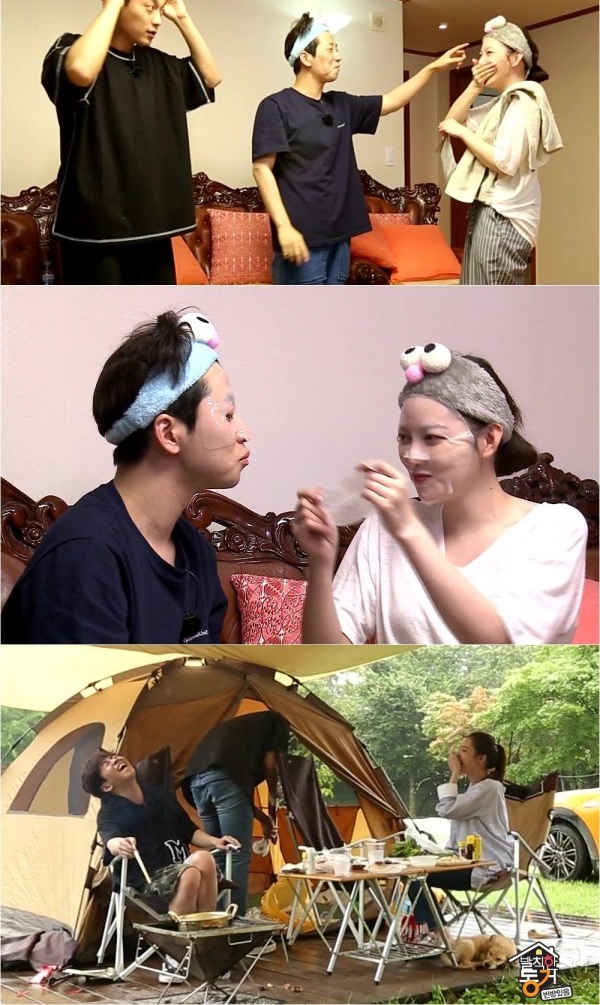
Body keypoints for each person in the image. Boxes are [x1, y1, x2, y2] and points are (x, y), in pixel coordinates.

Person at [296, 343, 587, 644]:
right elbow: (328, 656)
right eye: (404, 438)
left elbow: (503, 649)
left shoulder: (555, 529)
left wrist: (409, 531)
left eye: (432, 438)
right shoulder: (383, 528)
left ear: (489, 439)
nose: (411, 456)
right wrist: (321, 563)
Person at [2, 309, 251, 644]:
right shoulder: (86, 554)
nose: (244, 432)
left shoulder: (196, 554)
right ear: (169, 434)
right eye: (229, 414)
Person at [42, 0, 222, 284]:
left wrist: (182, 18)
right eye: (149, 7)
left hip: (154, 227)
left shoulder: (159, 65)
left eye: (160, 10)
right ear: (122, 0)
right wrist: (111, 2)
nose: (157, 20)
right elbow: (81, 71)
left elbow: (211, 77)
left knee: (153, 311)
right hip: (95, 232)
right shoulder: (72, 48)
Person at [251, 11, 465, 284]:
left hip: (341, 237)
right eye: (331, 49)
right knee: (305, 312)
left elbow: (392, 101)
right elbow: (261, 169)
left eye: (337, 49)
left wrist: (433, 68)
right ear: (306, 57)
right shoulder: (275, 107)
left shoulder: (341, 104)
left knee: (338, 309)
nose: (338, 56)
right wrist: (284, 228)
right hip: (303, 239)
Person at [438, 16, 562, 285]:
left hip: (504, 217)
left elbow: (504, 162)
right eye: (481, 54)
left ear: (516, 57)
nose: (480, 60)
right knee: (476, 299)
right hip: (489, 211)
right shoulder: (502, 103)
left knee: (494, 303)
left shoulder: (524, 101)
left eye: (489, 53)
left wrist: (463, 133)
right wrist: (475, 85)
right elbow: (450, 122)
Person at [82, 749, 241, 921]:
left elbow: (189, 831)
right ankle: (182, 934)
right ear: (106, 786)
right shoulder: (108, 813)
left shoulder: (160, 795)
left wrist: (216, 841)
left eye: (113, 757)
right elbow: (110, 840)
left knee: (204, 858)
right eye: (107, 764)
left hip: (179, 867)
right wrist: (120, 844)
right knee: (189, 874)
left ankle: (205, 925)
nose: (115, 760)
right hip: (146, 881)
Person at [182, 712, 291, 914]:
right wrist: (273, 790)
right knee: (236, 853)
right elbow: (270, 763)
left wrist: (264, 819)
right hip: (224, 777)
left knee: (219, 852)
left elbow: (239, 796)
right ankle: (236, 922)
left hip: (195, 781)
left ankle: (215, 918)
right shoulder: (278, 721)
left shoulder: (248, 729)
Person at [407, 733, 513, 937]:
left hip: (485, 867)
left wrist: (454, 774)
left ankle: (437, 931)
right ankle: (435, 928)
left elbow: (446, 809)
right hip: (467, 862)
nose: (458, 755)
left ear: (481, 759)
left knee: (414, 877)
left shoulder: (489, 789)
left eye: (464, 750)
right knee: (413, 870)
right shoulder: (476, 789)